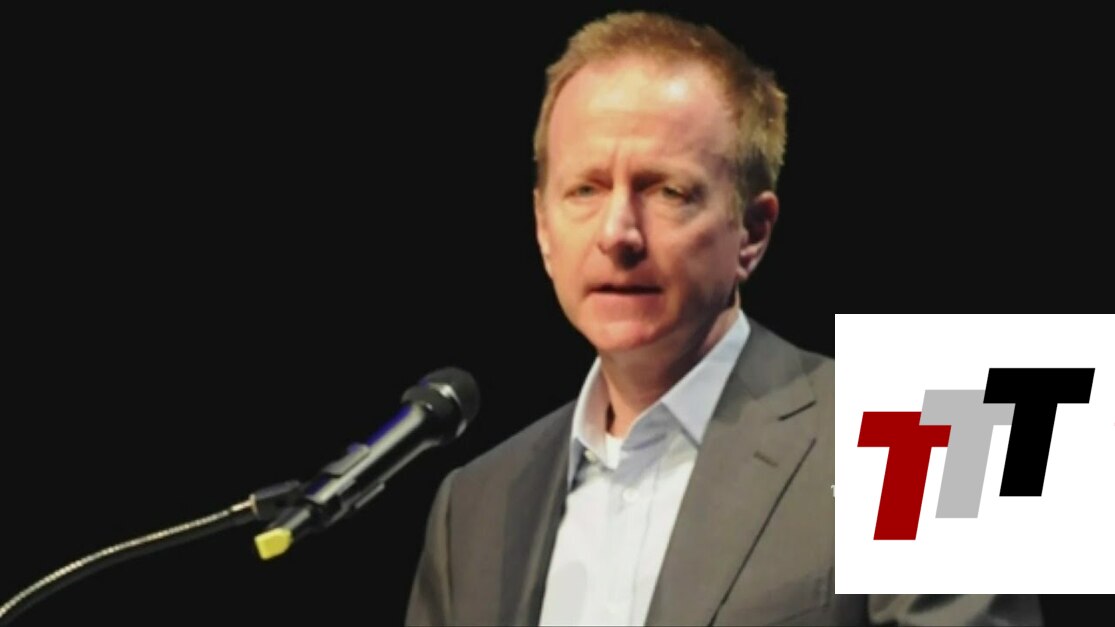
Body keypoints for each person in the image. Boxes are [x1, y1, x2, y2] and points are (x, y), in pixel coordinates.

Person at [405, 10, 1043, 626]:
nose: (617, 233)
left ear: (753, 231)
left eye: (667, 191)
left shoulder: (928, 428)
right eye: (585, 190)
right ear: (543, 227)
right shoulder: (473, 506)